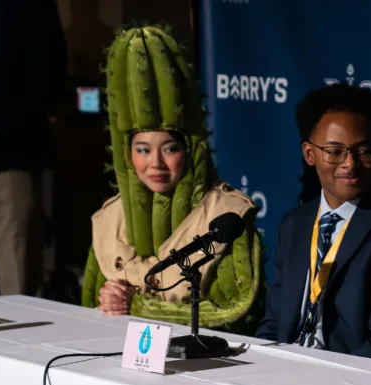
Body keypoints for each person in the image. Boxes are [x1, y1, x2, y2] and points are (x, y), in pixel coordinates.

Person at [80, 26, 263, 332]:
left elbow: (236, 310)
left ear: (190, 149)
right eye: (142, 149)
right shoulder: (109, 219)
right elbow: (90, 306)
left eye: (170, 149)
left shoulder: (228, 214)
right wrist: (108, 300)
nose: (155, 163)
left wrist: (137, 305)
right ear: (127, 154)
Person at [256, 84, 371, 365]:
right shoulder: (294, 224)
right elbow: (274, 323)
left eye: (364, 151)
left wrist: (319, 379)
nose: (350, 164)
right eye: (335, 151)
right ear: (309, 154)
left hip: (351, 379)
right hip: (284, 372)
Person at [0, 0, 66, 297]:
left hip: (9, 161)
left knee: (17, 283)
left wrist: (0, 127)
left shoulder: (30, 5)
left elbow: (48, 82)